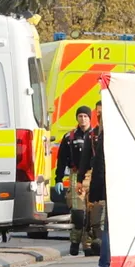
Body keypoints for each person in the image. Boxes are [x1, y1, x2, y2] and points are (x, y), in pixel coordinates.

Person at [54, 106, 92, 256]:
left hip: (93, 175)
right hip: (76, 176)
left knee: (92, 214)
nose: (83, 119)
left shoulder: (96, 135)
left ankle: (88, 245)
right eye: (80, 116)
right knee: (78, 213)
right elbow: (61, 159)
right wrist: (58, 179)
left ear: (90, 118)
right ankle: (75, 242)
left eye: (85, 116)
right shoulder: (69, 137)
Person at [78, 101, 108, 267]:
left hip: (107, 182)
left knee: (107, 225)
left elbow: (99, 163)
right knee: (97, 221)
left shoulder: (102, 134)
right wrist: (81, 179)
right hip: (107, 182)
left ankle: (104, 265)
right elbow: (86, 158)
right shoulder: (94, 135)